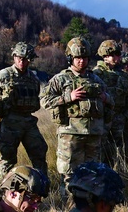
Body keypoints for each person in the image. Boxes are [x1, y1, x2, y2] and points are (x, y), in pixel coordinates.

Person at [40, 37, 110, 190]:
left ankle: (88, 205)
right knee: (69, 171)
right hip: (71, 134)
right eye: (77, 58)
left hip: (94, 133)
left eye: (84, 58)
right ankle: (68, 204)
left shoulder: (95, 78)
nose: (81, 61)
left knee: (93, 171)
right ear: (70, 58)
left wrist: (105, 98)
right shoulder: (61, 78)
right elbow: (44, 100)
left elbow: (110, 99)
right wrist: (68, 97)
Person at [0, 42, 48, 179]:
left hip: (28, 121)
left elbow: (36, 96)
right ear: (14, 57)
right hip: (9, 122)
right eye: (19, 57)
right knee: (8, 158)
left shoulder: (33, 78)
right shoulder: (4, 74)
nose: (22, 61)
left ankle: (40, 187)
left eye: (25, 59)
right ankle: (3, 189)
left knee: (39, 154)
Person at [94, 40, 128, 169]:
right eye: (112, 54)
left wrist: (127, 114)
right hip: (103, 119)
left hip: (122, 118)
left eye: (117, 54)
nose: (115, 58)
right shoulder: (97, 74)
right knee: (103, 153)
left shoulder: (123, 76)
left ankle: (121, 175)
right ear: (104, 56)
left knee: (123, 151)